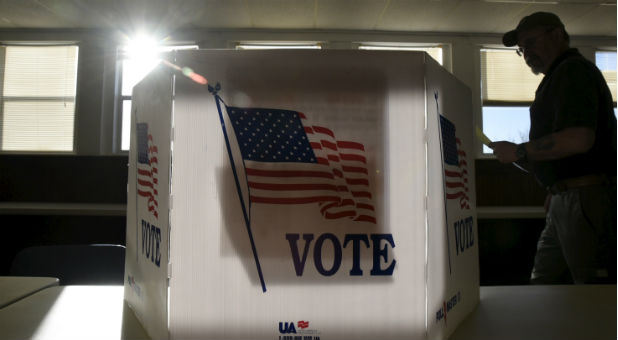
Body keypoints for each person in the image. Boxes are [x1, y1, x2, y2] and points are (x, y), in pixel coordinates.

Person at [490, 12, 617, 284]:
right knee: (543, 283)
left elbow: (579, 139)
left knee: (594, 295)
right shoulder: (558, 77)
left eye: (531, 43)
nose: (527, 53)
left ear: (558, 35)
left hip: (584, 198)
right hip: (566, 197)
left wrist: (520, 151)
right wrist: (556, 187)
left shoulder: (572, 71)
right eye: (522, 49)